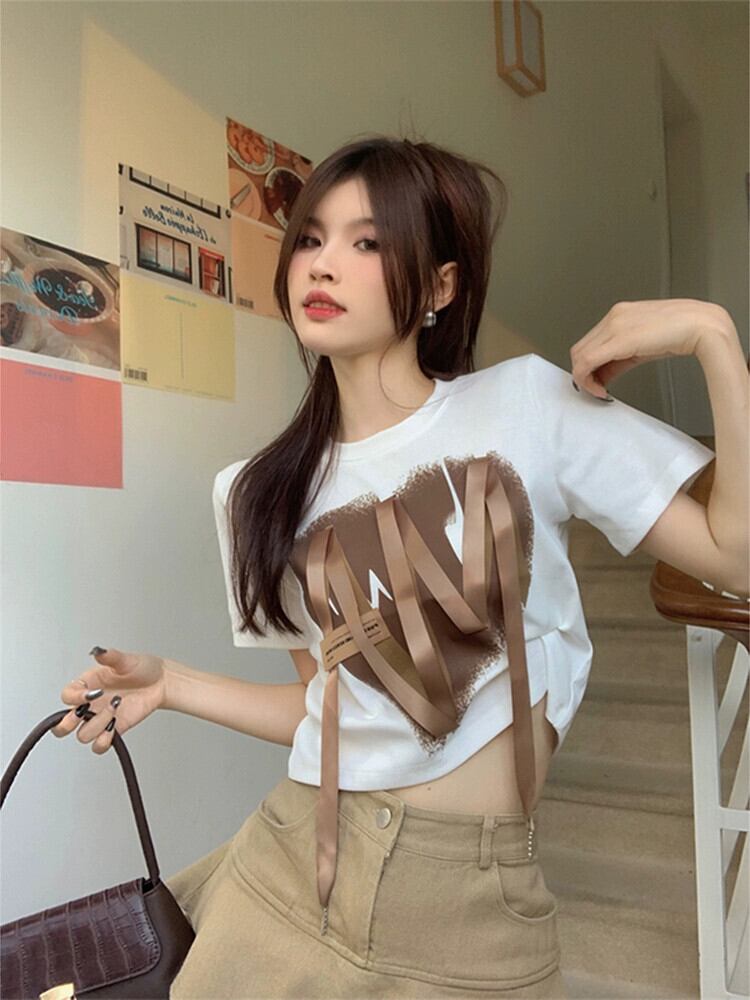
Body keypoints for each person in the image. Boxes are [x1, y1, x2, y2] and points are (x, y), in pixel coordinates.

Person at [54, 133, 739, 999]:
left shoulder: (527, 407)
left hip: (475, 904)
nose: (322, 263)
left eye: (367, 242)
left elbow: (735, 555)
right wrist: (173, 683)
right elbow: (329, 708)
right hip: (292, 872)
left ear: (440, 287)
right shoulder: (255, 493)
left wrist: (716, 339)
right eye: (310, 239)